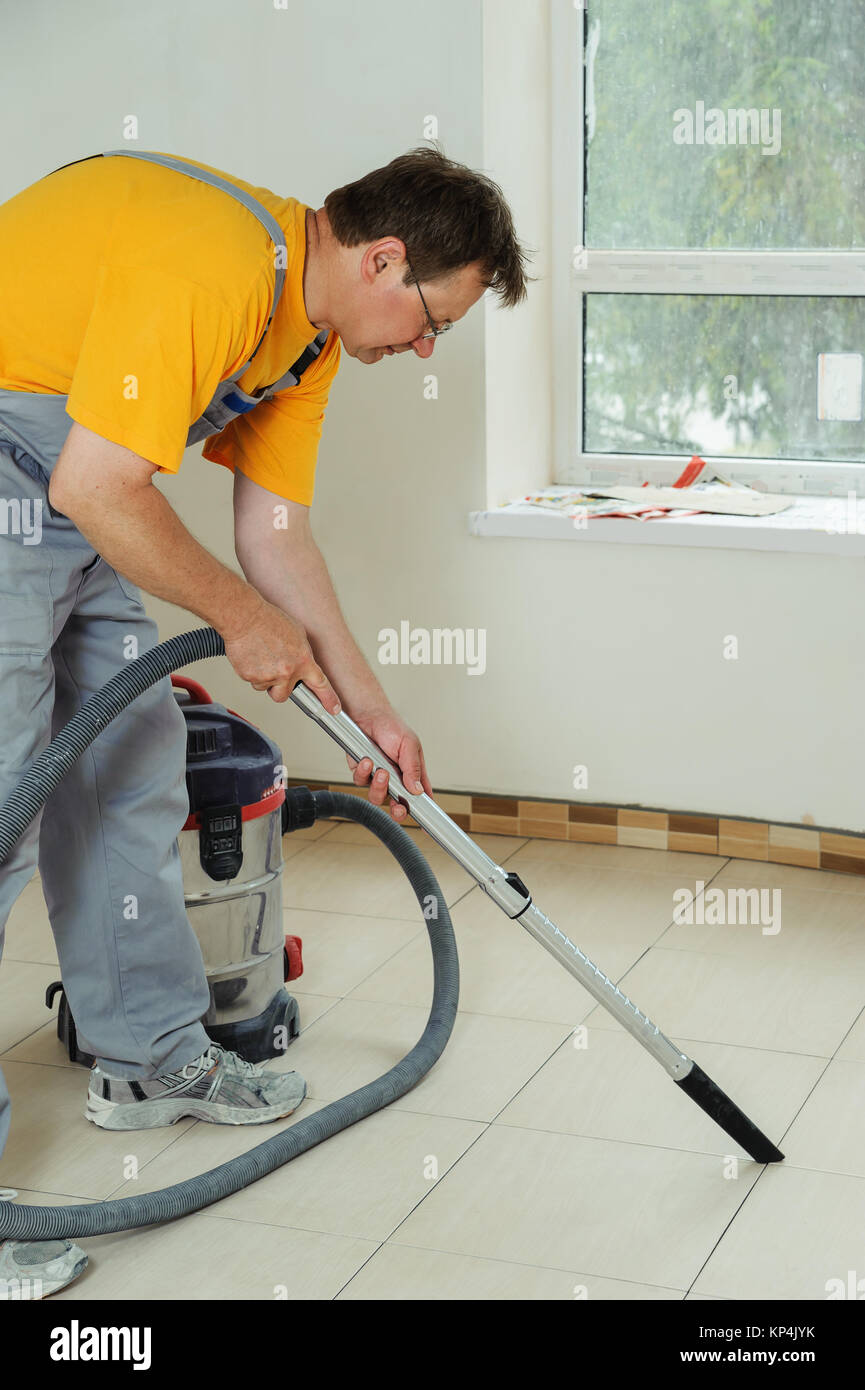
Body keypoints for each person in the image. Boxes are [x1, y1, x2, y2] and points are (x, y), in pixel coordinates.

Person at [0, 143, 529, 1296]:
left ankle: (147, 1059)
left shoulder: (305, 338)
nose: (428, 347)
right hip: (27, 476)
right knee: (4, 807)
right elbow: (102, 485)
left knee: (129, 754)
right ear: (383, 258)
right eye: (435, 316)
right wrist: (239, 623)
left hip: (63, 493)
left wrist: (373, 707)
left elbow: (274, 538)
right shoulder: (219, 262)